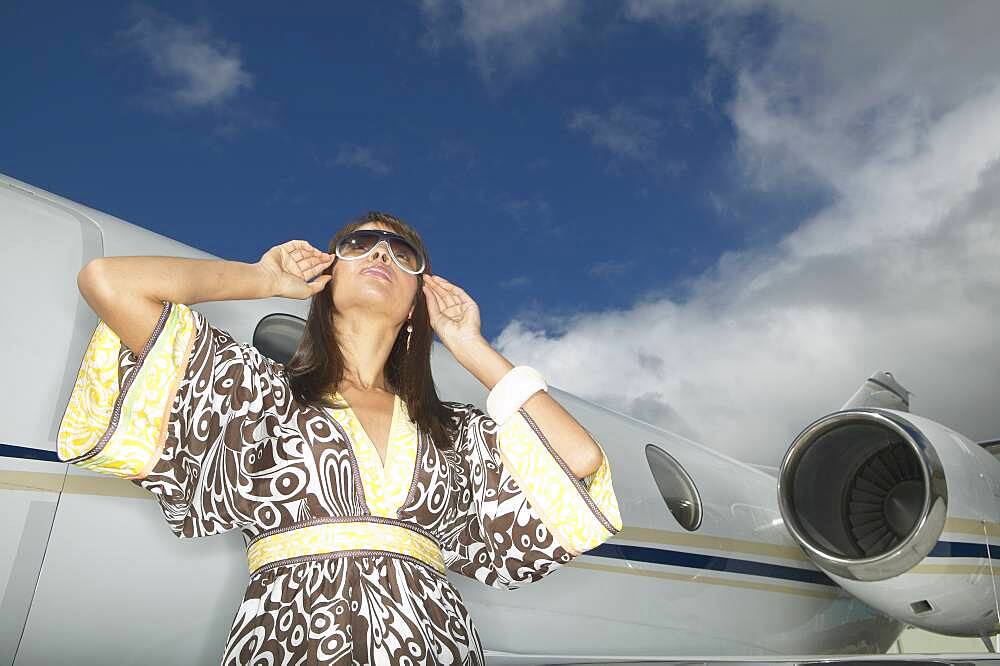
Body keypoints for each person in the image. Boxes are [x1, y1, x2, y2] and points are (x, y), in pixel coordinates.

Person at [57, 210, 623, 665]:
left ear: (414, 307)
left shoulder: (455, 431)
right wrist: (264, 280)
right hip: (287, 642)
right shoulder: (255, 393)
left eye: (402, 254)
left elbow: (578, 458)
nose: (381, 253)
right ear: (326, 282)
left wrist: (468, 344)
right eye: (361, 244)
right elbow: (108, 280)